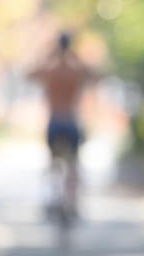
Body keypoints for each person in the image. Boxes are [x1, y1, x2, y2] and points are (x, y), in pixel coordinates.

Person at [28, 32, 97, 219]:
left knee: (53, 163)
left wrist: (49, 55)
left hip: (55, 122)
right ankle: (72, 203)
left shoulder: (51, 71)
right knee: (73, 164)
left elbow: (30, 74)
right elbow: (94, 75)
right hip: (71, 121)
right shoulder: (75, 71)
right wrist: (76, 57)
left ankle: (53, 198)